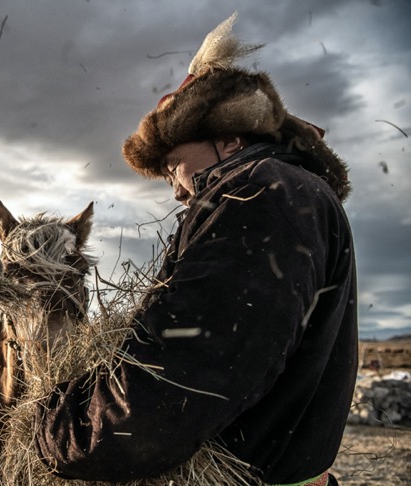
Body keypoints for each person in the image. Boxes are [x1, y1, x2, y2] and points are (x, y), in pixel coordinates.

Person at [34, 13, 357, 486]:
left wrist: (59, 430)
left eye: (173, 166)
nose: (176, 190)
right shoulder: (294, 193)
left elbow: (181, 380)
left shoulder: (259, 196)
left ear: (229, 138)